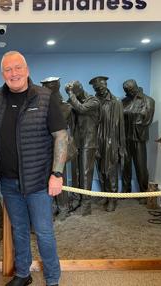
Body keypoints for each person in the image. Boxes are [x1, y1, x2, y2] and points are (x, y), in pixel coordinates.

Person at [0, 51, 67, 286]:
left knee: (43, 233)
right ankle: (23, 273)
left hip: (38, 182)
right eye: (8, 70)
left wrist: (57, 174)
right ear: (3, 74)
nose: (14, 73)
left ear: (27, 69)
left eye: (18, 67)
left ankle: (53, 279)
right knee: (19, 231)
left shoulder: (44, 97)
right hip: (9, 183)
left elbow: (61, 136)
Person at [89, 76, 125, 212]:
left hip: (111, 140)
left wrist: (121, 146)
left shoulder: (115, 102)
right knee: (100, 168)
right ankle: (105, 194)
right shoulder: (94, 101)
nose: (101, 90)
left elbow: (121, 125)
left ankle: (113, 198)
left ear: (106, 86)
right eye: (98, 88)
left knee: (110, 169)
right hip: (96, 138)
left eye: (102, 87)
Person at [40, 76, 74, 220]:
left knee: (60, 178)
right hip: (45, 149)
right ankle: (52, 206)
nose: (43, 88)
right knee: (47, 179)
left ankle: (63, 207)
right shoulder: (43, 105)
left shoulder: (65, 106)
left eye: (46, 86)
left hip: (60, 148)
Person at [65, 80, 100, 216]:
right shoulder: (73, 99)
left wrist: (70, 94)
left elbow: (81, 109)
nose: (71, 94)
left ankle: (86, 204)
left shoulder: (93, 100)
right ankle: (77, 200)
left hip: (89, 141)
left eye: (74, 91)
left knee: (86, 173)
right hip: (77, 140)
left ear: (79, 90)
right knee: (76, 172)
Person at [121, 79, 155, 199]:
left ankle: (143, 192)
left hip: (138, 138)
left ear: (135, 87)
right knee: (125, 165)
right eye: (126, 91)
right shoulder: (124, 101)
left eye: (130, 90)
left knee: (140, 166)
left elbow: (147, 120)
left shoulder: (148, 101)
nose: (128, 92)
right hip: (125, 138)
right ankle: (126, 190)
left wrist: (129, 114)